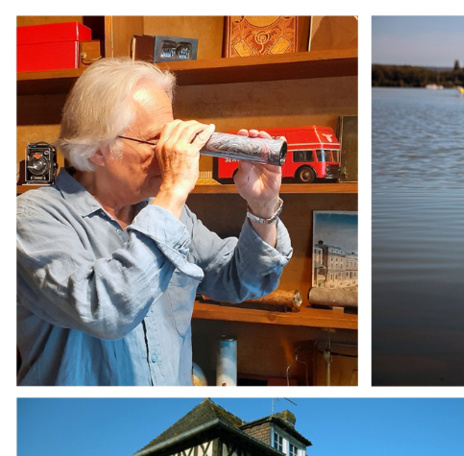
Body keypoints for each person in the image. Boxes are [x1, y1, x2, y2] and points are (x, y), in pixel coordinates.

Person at [17, 57, 292, 385]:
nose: (168, 153)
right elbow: (106, 310)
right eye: (155, 141)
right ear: (98, 149)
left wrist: (262, 206)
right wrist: (174, 192)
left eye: (171, 138)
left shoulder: (166, 212)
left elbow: (240, 280)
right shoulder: (30, 220)